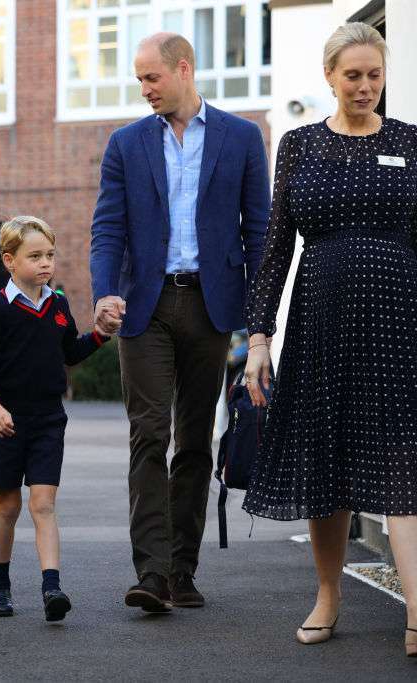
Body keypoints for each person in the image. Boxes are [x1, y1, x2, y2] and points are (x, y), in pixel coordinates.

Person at [242, 23, 417, 656]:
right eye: (353, 75)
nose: (366, 86)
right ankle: (328, 595)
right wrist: (259, 338)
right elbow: (274, 251)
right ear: (329, 77)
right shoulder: (299, 146)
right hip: (321, 322)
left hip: (400, 321)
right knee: (327, 457)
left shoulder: (410, 143)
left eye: (374, 74)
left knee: (404, 457)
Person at [89, 32, 270, 612]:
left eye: (151, 78)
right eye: (139, 80)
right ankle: (152, 572)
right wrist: (103, 294)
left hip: (213, 307)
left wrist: (258, 321)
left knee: (195, 440)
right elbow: (108, 228)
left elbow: (259, 231)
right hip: (146, 306)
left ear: (183, 69)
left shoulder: (242, 138)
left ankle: (183, 570)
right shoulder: (125, 144)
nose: (143, 89)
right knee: (150, 436)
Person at [0, 216, 110, 622]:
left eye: (50, 254)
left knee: (43, 504)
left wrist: (100, 334)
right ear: (10, 260)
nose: (45, 262)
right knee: (8, 506)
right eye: (35, 256)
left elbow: (70, 353)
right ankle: (0, 586)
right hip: (6, 421)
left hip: (49, 419)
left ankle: (52, 587)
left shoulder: (59, 304)